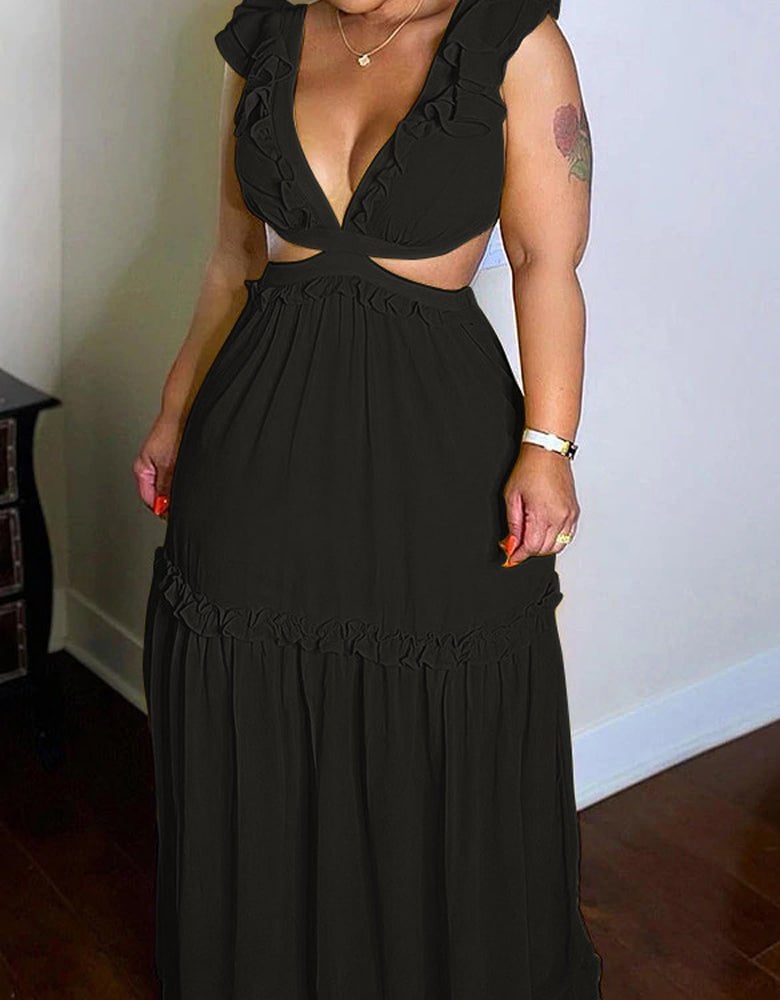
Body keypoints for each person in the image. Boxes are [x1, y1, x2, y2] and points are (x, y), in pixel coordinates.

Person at [133, 0, 602, 994]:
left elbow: (545, 263)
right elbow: (233, 260)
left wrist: (548, 446)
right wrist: (175, 412)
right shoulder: (263, 32)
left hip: (437, 443)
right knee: (251, 700)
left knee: (444, 712)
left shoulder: (514, 40)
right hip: (254, 439)